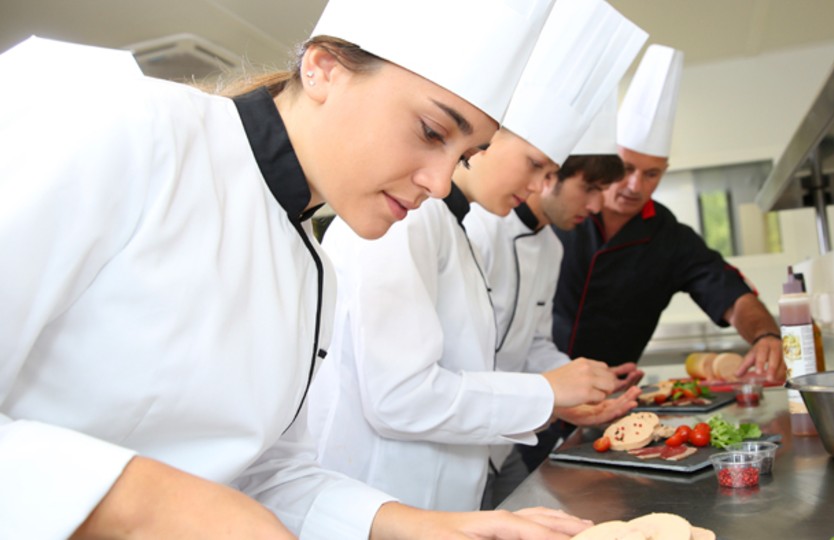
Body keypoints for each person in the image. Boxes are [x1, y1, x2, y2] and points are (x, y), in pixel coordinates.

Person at [0, 1, 601, 538]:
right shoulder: (122, 126)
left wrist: (431, 526)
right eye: (430, 131)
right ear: (323, 69)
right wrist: (140, 499)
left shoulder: (311, 267)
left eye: (463, 156)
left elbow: (264, 473)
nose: (440, 183)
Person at [311, 0, 647, 514]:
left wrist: (566, 389)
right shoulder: (405, 221)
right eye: (535, 165)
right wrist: (547, 394)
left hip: (444, 498)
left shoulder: (449, 225)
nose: (540, 186)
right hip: (384, 496)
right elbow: (400, 398)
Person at [552, 44, 784, 381]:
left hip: (609, 396)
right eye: (626, 168)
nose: (634, 186)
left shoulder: (671, 239)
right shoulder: (563, 213)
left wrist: (766, 336)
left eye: (651, 174)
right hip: (535, 387)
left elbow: (733, 296)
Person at [463, 94, 645, 508]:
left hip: (500, 444)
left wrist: (583, 381)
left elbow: (533, 345)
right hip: (464, 434)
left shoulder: (551, 248)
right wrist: (551, 394)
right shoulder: (478, 228)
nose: (597, 206)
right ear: (550, 176)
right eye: (590, 189)